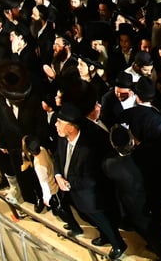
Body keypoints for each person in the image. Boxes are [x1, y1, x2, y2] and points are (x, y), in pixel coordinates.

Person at [53, 102, 127, 259]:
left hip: (90, 196)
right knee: (94, 220)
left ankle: (118, 244)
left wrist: (69, 184)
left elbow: (91, 179)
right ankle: (105, 237)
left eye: (60, 122)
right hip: (73, 191)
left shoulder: (88, 150)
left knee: (103, 221)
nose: (56, 124)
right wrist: (58, 175)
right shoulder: (62, 138)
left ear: (72, 127)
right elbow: (57, 156)